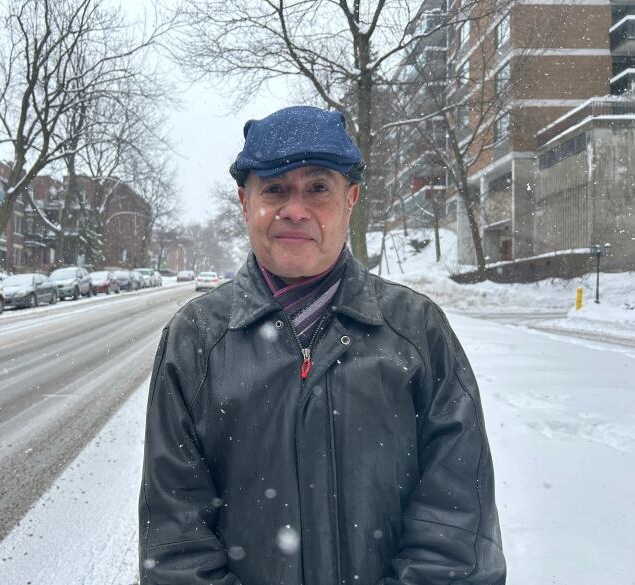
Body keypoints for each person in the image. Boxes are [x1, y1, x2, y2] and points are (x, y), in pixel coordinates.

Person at [139, 106, 506, 585]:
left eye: (318, 188)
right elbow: (175, 540)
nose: (295, 209)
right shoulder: (195, 340)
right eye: (274, 189)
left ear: (350, 199)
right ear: (245, 203)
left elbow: (457, 525)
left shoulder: (416, 332)